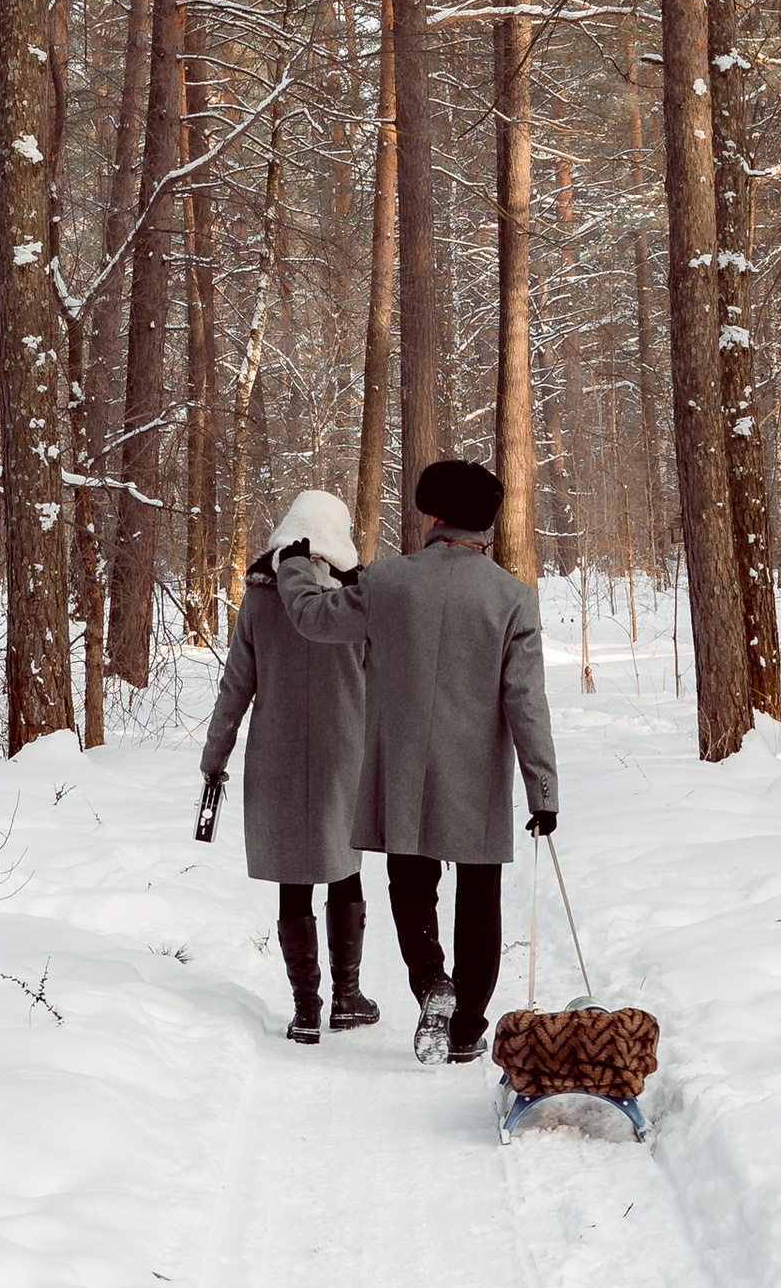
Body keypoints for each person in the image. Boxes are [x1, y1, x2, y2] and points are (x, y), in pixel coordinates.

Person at [274, 456, 557, 1066]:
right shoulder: (513, 598)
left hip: (401, 767)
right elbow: (526, 702)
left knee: (412, 887)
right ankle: (465, 1030)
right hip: (477, 774)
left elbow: (310, 619)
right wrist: (543, 792)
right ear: (485, 524)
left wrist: (298, 561)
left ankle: (432, 985)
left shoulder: (388, 581)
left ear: (432, 515)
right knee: (480, 899)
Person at [200, 488, 380, 1045]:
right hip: (345, 753)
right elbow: (386, 679)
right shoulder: (358, 601)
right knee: (344, 867)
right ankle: (347, 998)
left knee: (293, 878)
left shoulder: (260, 599)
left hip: (275, 756)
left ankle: (306, 1009)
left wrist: (215, 756)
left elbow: (237, 686)